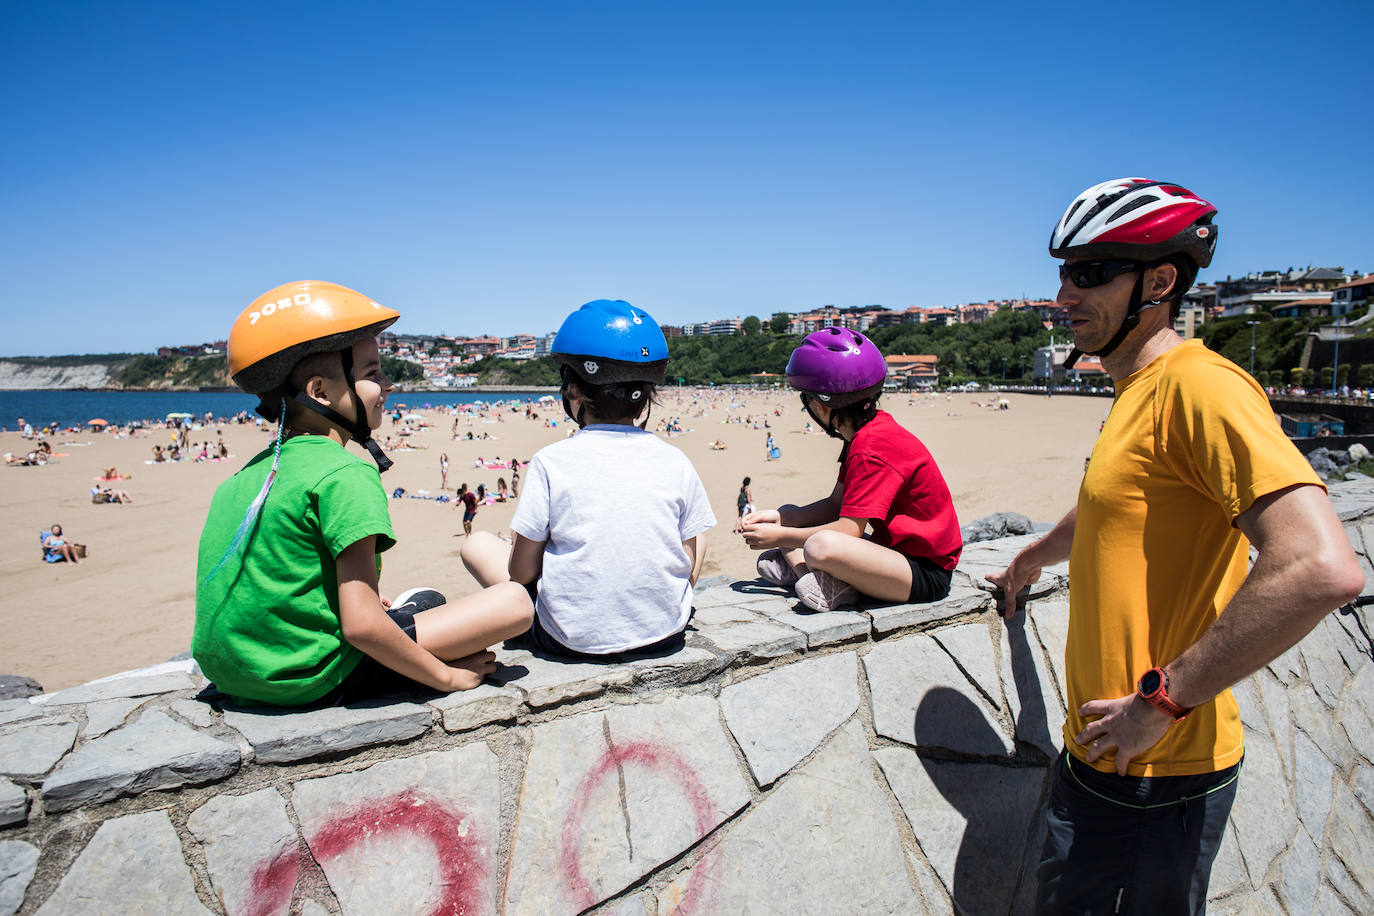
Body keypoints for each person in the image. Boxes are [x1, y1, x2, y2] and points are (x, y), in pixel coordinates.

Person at [985, 178, 1363, 914]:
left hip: (1156, 772)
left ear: (1160, 281)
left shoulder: (1201, 387)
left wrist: (1160, 703)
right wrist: (1030, 562)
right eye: (1064, 271)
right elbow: (1111, 508)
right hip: (1108, 758)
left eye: (1090, 273)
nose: (1064, 294)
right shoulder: (1141, 390)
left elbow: (1320, 567)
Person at [192, 280, 531, 708]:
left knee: (425, 601)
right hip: (312, 678)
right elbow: (362, 628)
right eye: (373, 374)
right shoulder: (345, 472)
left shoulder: (245, 476)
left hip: (238, 675)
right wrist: (445, 677)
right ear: (320, 392)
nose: (388, 385)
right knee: (514, 602)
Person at [460, 299, 715, 659]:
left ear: (574, 389)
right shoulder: (675, 459)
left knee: (478, 544)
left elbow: (520, 573)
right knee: (696, 529)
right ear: (648, 392)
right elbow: (688, 561)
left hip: (570, 639)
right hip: (666, 633)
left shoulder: (551, 461)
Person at [740, 327, 961, 612]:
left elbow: (848, 530)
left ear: (820, 406)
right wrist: (780, 518)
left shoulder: (872, 446)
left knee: (820, 546)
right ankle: (815, 574)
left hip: (925, 573)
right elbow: (836, 504)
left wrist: (780, 537)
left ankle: (809, 576)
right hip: (895, 554)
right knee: (790, 517)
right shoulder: (865, 433)